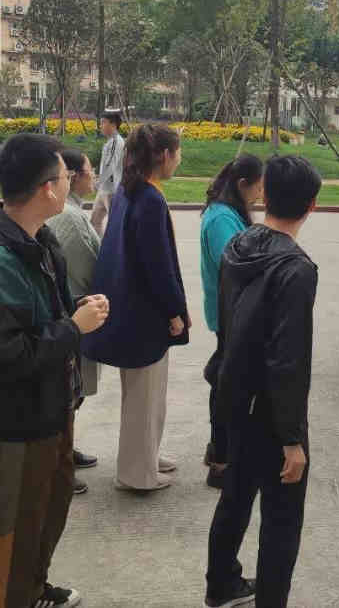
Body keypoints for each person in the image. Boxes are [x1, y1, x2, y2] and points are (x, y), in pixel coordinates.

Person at [206, 156, 321, 608]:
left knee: (234, 499)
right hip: (271, 412)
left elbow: (226, 328)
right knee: (282, 517)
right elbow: (288, 359)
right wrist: (292, 440)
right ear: (312, 204)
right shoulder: (296, 268)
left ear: (266, 194)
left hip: (234, 396)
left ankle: (220, 586)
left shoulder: (238, 246)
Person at [0, 134, 109, 608]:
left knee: (48, 508)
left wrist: (76, 309)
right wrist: (72, 327)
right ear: (47, 188)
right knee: (18, 524)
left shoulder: (41, 241)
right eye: (67, 176)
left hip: (53, 406)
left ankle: (33, 587)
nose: (71, 183)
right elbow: (11, 354)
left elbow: (43, 318)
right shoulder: (5, 259)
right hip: (19, 422)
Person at [84, 123, 189, 491]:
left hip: (130, 307)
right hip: (145, 313)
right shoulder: (149, 199)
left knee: (148, 394)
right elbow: (158, 264)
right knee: (144, 396)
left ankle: (146, 456)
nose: (179, 159)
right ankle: (137, 473)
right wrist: (174, 311)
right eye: (178, 152)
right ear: (164, 155)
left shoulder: (131, 192)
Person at [200, 154, 264, 489]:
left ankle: (220, 451)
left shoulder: (228, 212)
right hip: (231, 313)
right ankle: (221, 460)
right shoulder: (221, 218)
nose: (260, 193)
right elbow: (236, 264)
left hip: (235, 311)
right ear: (242, 184)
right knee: (227, 387)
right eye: (258, 186)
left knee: (226, 381)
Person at [46, 149, 102, 496]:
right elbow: (89, 266)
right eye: (87, 170)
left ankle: (64, 452)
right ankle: (59, 462)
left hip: (70, 313)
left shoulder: (70, 213)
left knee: (71, 393)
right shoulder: (70, 217)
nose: (92, 176)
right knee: (69, 392)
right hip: (73, 315)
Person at [90, 109, 125, 237]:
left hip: (112, 191)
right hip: (104, 189)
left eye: (103, 122)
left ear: (113, 124)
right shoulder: (110, 141)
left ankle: (115, 248)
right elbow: (106, 165)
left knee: (115, 225)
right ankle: (100, 247)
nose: (100, 126)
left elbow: (110, 166)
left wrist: (97, 183)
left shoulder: (116, 142)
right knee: (94, 221)